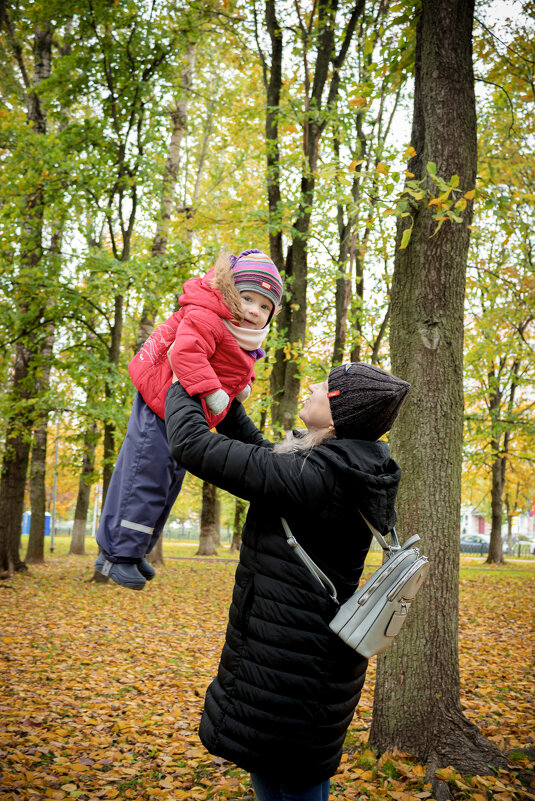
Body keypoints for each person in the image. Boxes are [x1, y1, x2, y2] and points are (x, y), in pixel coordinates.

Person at [164, 361, 411, 801]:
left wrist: (183, 378)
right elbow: (260, 453)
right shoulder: (334, 468)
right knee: (274, 772)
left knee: (294, 783)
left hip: (297, 668)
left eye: (325, 385)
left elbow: (191, 444)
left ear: (339, 415)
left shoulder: (317, 477)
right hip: (294, 657)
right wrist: (222, 397)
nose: (313, 386)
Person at [94, 249, 283, 590]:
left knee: (169, 482)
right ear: (230, 293)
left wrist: (242, 388)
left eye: (265, 306)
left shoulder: (243, 335)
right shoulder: (208, 316)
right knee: (144, 475)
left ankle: (137, 550)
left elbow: (238, 367)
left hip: (183, 415)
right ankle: (114, 555)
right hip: (160, 402)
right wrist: (212, 392)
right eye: (248, 298)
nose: (255, 310)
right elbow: (186, 353)